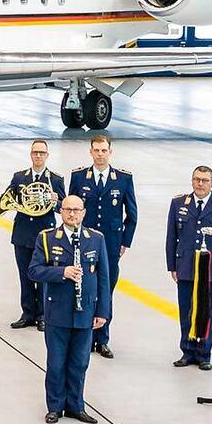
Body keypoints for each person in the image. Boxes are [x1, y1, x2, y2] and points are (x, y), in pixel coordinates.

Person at [29, 196, 111, 424]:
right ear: (60, 212)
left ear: (84, 212)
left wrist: (103, 311)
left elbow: (104, 278)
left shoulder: (95, 239)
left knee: (79, 362)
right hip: (58, 311)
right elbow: (34, 271)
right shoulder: (46, 238)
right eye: (67, 210)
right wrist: (61, 273)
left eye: (76, 210)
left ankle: (76, 405)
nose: (72, 214)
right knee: (56, 363)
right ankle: (55, 406)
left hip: (85, 311)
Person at [68, 135, 136, 358]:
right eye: (96, 150)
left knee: (106, 291)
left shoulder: (123, 179)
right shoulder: (79, 177)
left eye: (104, 150)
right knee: (86, 290)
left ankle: (103, 339)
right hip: (85, 244)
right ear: (90, 152)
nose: (100, 154)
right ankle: (85, 337)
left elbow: (132, 215)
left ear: (110, 152)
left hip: (111, 245)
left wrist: (125, 241)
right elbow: (71, 210)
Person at [166, 167, 212, 370]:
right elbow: (172, 237)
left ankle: (204, 353)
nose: (200, 184)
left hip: (211, 270)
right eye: (197, 179)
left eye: (205, 180)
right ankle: (187, 351)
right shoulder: (179, 203)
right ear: (191, 181)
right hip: (186, 267)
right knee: (186, 309)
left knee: (208, 310)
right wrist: (172, 265)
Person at [4, 140, 65, 330]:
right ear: (31, 155)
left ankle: (43, 315)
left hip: (45, 234)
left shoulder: (55, 180)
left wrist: (55, 201)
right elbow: (7, 198)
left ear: (47, 155)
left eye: (42, 153)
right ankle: (27, 313)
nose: (38, 156)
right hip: (23, 233)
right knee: (25, 276)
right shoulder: (19, 177)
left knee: (43, 276)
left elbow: (64, 207)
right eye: (35, 152)